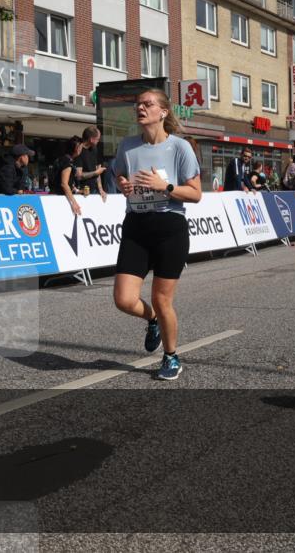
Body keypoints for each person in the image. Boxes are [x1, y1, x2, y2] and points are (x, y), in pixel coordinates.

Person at [112, 89, 201, 381]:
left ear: (163, 112)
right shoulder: (127, 145)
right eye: (138, 104)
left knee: (162, 300)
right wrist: (123, 185)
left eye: (147, 104)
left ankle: (172, 356)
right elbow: (119, 176)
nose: (140, 108)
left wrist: (166, 187)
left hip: (169, 228)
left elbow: (196, 194)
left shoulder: (180, 148)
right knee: (124, 299)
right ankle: (151, 320)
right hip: (137, 225)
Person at [50, 136, 84, 215]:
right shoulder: (67, 163)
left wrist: (78, 191)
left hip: (57, 196)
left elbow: (69, 183)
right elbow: (64, 184)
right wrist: (74, 203)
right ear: (77, 148)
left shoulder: (64, 159)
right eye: (81, 147)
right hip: (61, 199)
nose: (81, 149)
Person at [75, 126, 108, 201]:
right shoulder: (78, 151)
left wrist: (101, 189)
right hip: (82, 192)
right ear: (92, 139)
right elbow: (79, 175)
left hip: (94, 191)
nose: (98, 141)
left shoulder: (94, 149)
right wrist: (95, 173)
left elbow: (97, 170)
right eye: (97, 139)